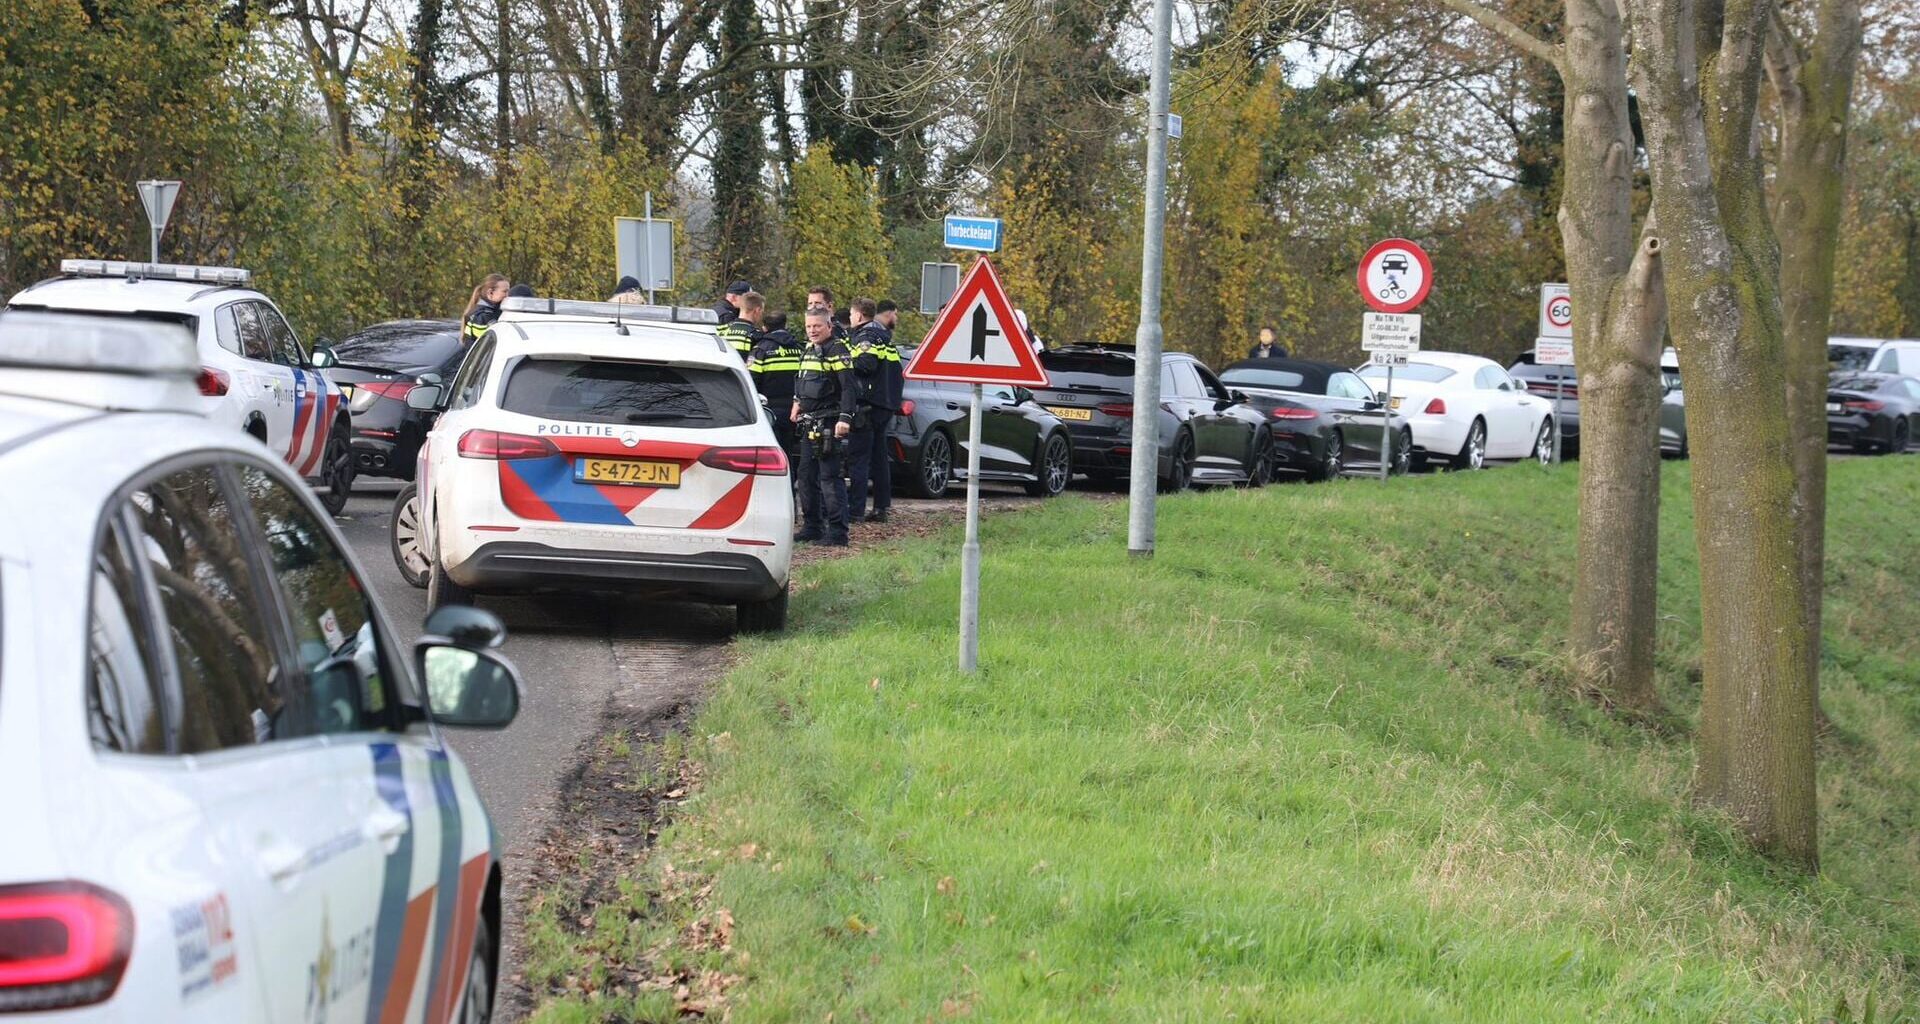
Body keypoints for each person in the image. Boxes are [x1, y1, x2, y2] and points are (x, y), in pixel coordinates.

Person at [792, 307, 857, 546]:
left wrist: (845, 418)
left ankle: (838, 532)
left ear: (829, 326)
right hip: (809, 422)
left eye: (817, 326)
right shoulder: (808, 349)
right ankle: (812, 526)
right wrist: (796, 404)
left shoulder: (837, 350)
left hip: (830, 421)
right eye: (808, 326)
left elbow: (849, 387)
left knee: (830, 477)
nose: (812, 330)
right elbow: (801, 381)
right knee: (806, 476)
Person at [846, 297, 901, 523]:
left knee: (859, 458)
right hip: (885, 404)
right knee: (879, 458)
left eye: (851, 315)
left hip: (868, 406)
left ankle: (855, 510)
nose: (850, 319)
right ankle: (881, 507)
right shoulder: (884, 338)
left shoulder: (866, 337)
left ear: (859, 315)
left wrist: (843, 363)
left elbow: (865, 365)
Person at [750, 307, 803, 458]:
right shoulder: (799, 349)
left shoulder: (761, 350)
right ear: (785, 326)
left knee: (773, 456)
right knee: (789, 454)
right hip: (795, 409)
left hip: (770, 411)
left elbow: (752, 382)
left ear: (765, 328)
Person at [714, 288, 759, 362]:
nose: (747, 302)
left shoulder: (715, 308)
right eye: (746, 298)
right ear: (734, 297)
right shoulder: (727, 316)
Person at [462, 273, 509, 343]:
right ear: (490, 293)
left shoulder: (491, 312)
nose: (508, 295)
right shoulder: (482, 316)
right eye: (505, 291)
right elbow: (491, 345)